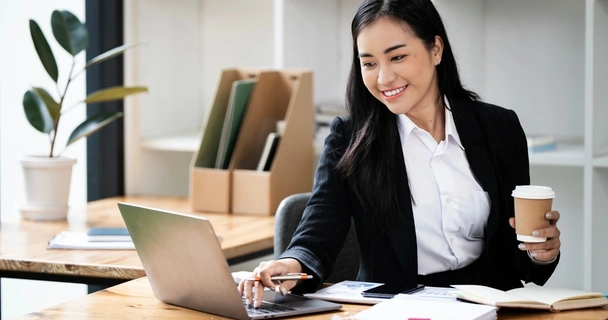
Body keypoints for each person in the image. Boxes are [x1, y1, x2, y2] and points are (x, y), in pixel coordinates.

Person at [239, 0, 561, 308]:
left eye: (397, 57)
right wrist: (289, 263)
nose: (383, 78)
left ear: (436, 49)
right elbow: (318, 231)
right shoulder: (349, 139)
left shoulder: (499, 128)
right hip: (395, 308)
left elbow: (517, 249)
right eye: (369, 63)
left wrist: (540, 253)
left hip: (489, 305)